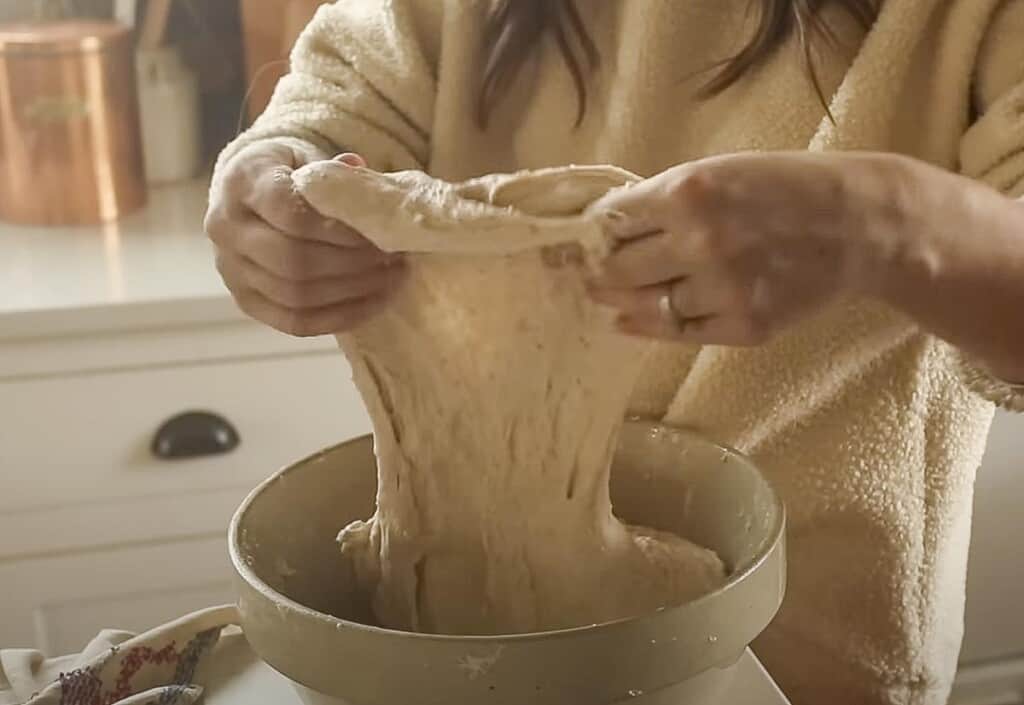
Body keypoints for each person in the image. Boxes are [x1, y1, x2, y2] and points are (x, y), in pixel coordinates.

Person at [204, 1, 1024, 703]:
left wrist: (892, 224)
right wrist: (274, 184)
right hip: (464, 655)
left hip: (808, 662)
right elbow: (344, 94)